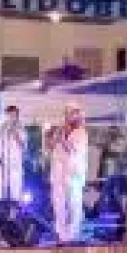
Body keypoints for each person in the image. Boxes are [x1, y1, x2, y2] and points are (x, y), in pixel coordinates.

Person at [49, 104, 88, 243]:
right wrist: (56, 135)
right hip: (58, 173)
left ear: (77, 115)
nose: (69, 116)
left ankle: (73, 234)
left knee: (74, 204)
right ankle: (61, 233)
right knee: (58, 203)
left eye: (72, 113)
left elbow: (72, 150)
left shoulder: (81, 133)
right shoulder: (61, 130)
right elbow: (51, 146)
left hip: (73, 174)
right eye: (67, 113)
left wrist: (62, 139)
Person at [0, 104, 27, 204]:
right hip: (2, 164)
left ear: (17, 116)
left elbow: (23, 145)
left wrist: (14, 132)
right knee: (0, 189)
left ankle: (14, 212)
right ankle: (1, 210)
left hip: (15, 164)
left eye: (13, 115)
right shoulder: (2, 128)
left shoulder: (21, 129)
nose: (11, 117)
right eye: (9, 115)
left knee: (15, 191)